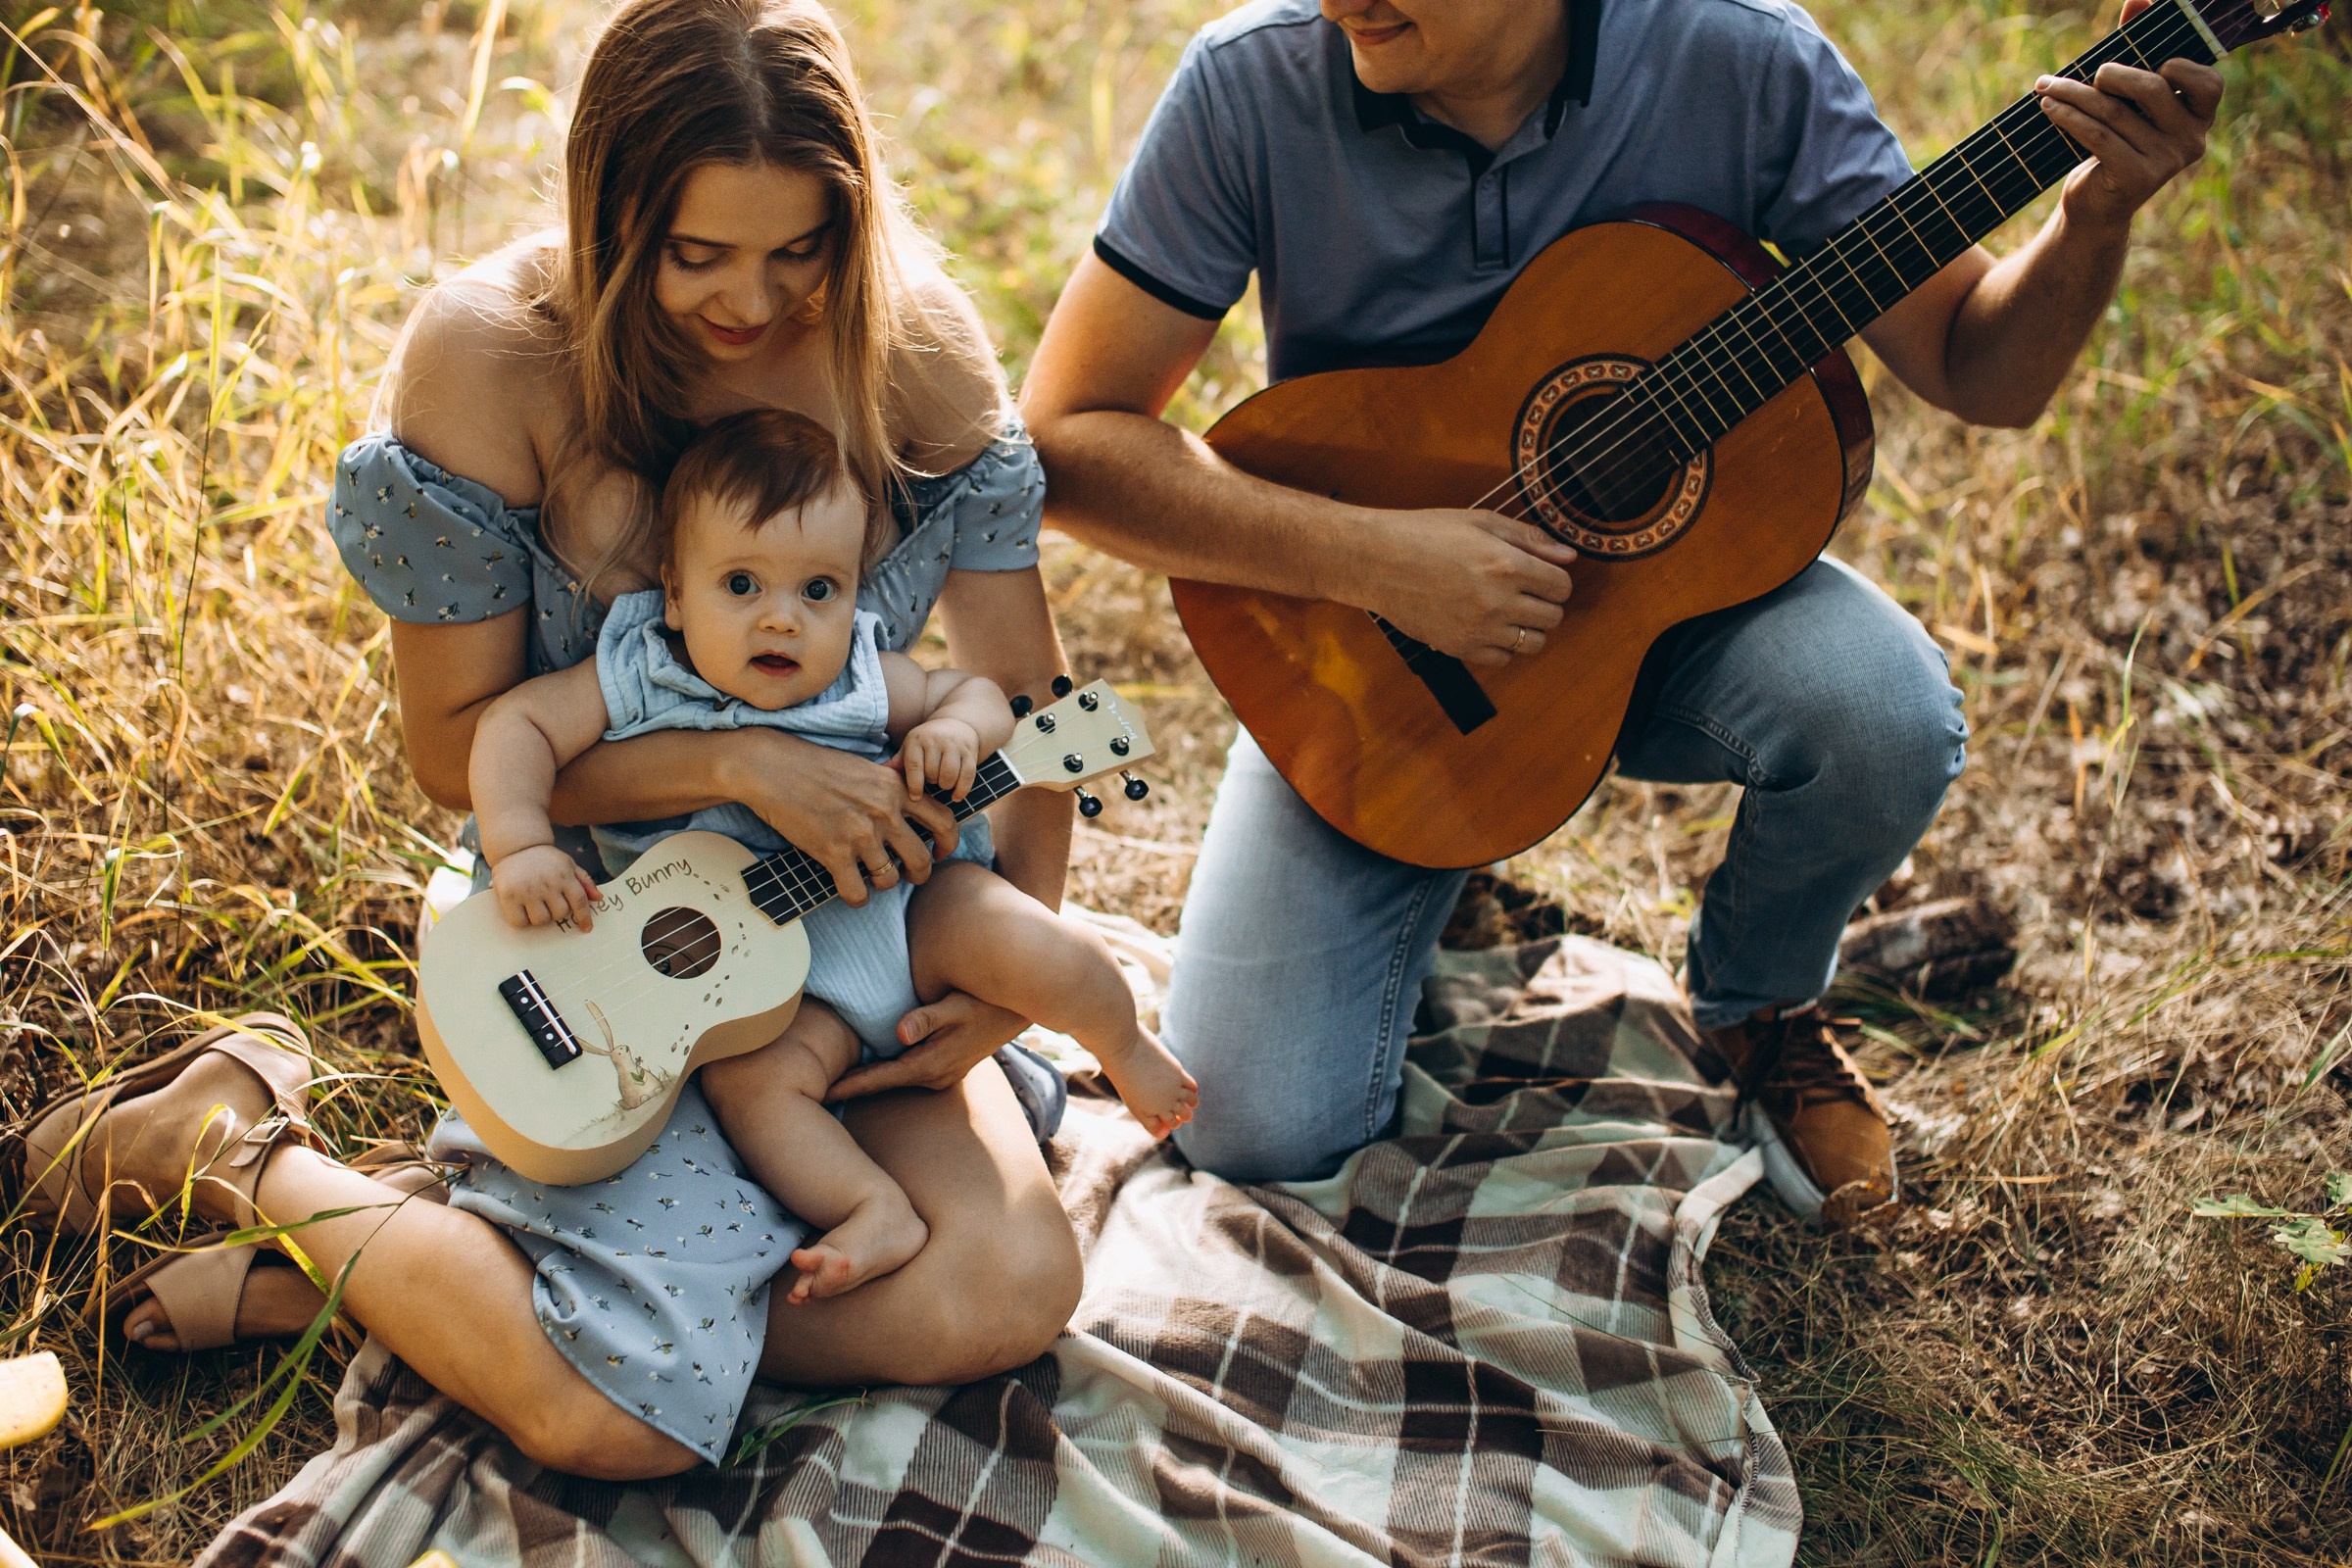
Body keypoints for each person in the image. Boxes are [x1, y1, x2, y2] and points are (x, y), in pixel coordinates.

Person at [33, 0, 1086, 1480]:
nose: (753, 301)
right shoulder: (494, 354)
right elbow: (453, 747)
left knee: (1009, 1287)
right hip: (587, 921)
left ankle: (436, 1278)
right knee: (617, 1420)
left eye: (800, 250)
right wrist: (737, 763)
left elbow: (1032, 705)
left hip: (842, 945)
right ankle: (238, 1153)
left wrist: (1011, 976)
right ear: (606, 215)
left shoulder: (910, 356)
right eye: (695, 254)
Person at [1019, 0, 2221, 1228]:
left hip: (1673, 617)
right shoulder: (1250, 83)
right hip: (1376, 657)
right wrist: (1377, 562)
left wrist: (2091, 217)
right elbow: (1063, 439)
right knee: (1250, 1127)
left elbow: (1978, 369)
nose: (1340, 1)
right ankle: (1435, 860)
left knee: (1884, 712)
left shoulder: (1743, 62)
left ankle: (1760, 999)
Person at [471, 409, 1197, 1298]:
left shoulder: (860, 676)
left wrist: (956, 730)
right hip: (772, 1003)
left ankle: (1122, 1042)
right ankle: (873, 1207)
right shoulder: (641, 671)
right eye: (742, 584)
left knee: (1027, 940)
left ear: (855, 598)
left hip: (910, 917)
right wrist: (519, 844)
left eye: (819, 590)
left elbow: (974, 693)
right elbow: (517, 723)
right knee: (756, 1094)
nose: (782, 619)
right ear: (674, 595)